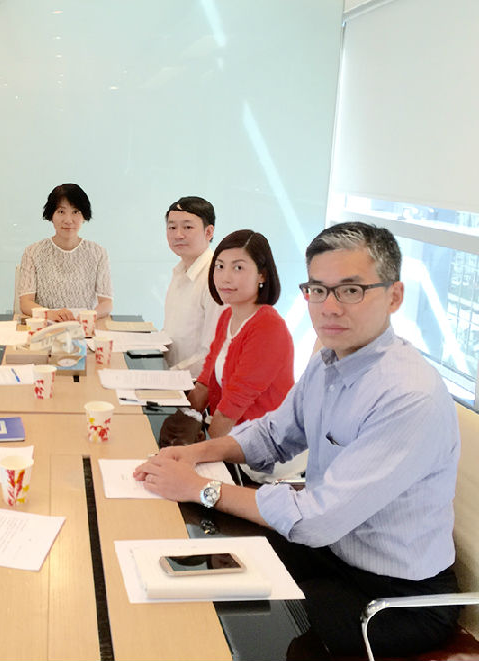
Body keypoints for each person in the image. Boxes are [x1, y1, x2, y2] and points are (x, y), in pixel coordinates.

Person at [134, 222, 461, 657]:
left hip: (395, 596)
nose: (329, 307)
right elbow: (273, 434)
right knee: (200, 562)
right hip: (333, 552)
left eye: (351, 290)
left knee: (253, 626)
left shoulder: (407, 394)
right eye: (318, 290)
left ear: (394, 296)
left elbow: (315, 519)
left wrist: (202, 488)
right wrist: (196, 452)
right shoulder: (328, 362)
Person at [187, 230, 294, 440]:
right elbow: (205, 382)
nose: (225, 277)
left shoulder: (268, 327)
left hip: (263, 444)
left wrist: (200, 448)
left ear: (262, 275)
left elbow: (232, 407)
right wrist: (182, 420)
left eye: (238, 268)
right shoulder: (228, 316)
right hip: (232, 437)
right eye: (220, 266)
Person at [18, 183, 113, 321]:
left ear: (84, 216)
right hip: (46, 325)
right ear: (51, 215)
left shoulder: (98, 253)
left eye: (75, 212)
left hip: (82, 326)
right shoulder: (33, 252)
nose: (68, 220)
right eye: (61, 212)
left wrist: (86, 317)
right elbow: (25, 302)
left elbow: (107, 303)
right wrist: (50, 314)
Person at [162, 196, 225, 376]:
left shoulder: (216, 278)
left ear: (209, 232)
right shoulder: (180, 272)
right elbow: (172, 334)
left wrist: (167, 376)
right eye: (172, 227)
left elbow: (213, 352)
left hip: (196, 384)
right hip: (173, 375)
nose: (178, 235)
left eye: (187, 227)